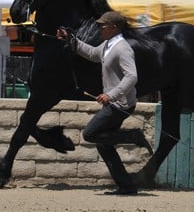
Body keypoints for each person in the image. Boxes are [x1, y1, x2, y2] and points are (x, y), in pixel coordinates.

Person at [57, 11, 152, 195]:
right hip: (115, 103)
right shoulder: (109, 44)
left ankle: (132, 136)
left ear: (114, 28)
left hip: (120, 104)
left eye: (103, 25)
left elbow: (132, 75)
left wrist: (112, 95)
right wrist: (71, 40)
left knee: (90, 133)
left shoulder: (123, 48)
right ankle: (126, 185)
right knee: (103, 144)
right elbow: (92, 53)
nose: (99, 28)